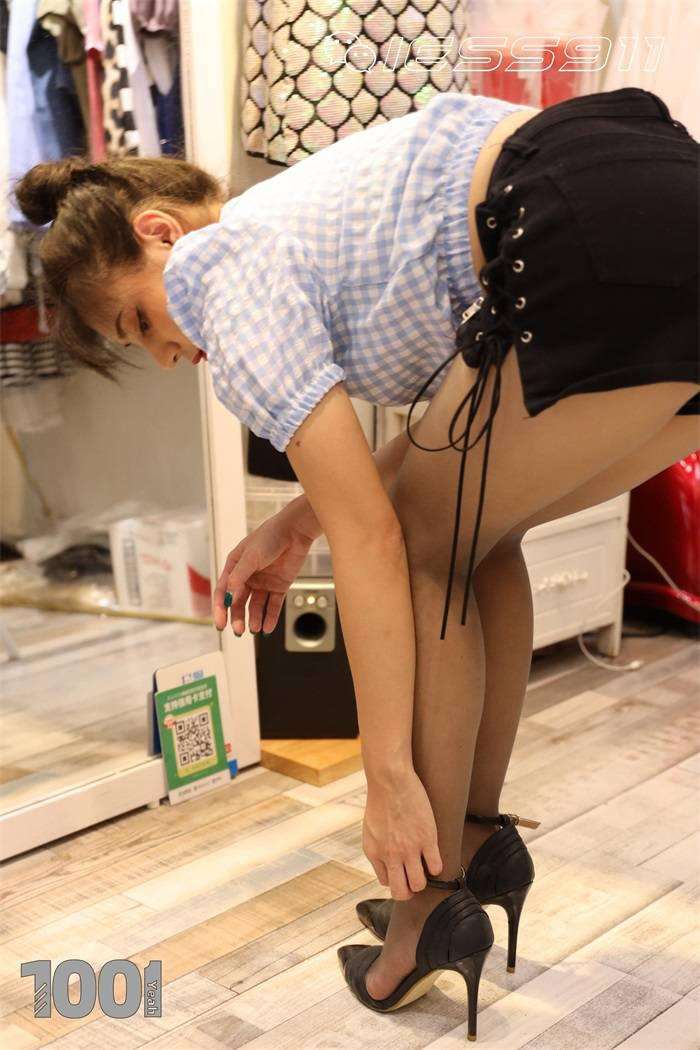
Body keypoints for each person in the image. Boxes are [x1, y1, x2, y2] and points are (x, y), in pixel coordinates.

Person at [13, 86, 699, 1039]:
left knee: (426, 548)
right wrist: (299, 522)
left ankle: (426, 908)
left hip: (576, 216)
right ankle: (472, 844)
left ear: (160, 234)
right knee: (478, 530)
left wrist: (386, 780)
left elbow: (377, 539)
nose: (167, 356)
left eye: (135, 323)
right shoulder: (292, 229)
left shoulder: (213, 267)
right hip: (655, 189)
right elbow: (446, 448)